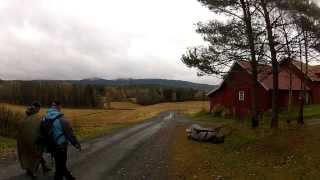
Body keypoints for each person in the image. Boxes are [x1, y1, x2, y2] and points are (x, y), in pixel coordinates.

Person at [43, 101, 81, 180]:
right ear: (58, 106)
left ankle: (67, 177)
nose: (61, 108)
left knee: (59, 164)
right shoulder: (61, 119)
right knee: (61, 164)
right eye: (60, 106)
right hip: (61, 146)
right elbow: (70, 134)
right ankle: (65, 177)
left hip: (51, 145)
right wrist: (76, 144)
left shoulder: (45, 117)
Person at [17, 102, 51, 179]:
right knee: (34, 155)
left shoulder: (30, 113)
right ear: (36, 107)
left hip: (32, 138)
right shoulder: (32, 115)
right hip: (30, 138)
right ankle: (32, 171)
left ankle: (43, 167)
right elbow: (29, 125)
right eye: (38, 108)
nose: (39, 110)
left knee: (37, 153)